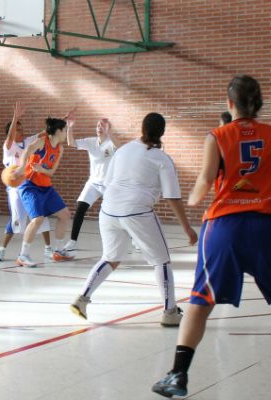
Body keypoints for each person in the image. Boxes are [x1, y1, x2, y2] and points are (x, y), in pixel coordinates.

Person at [152, 75, 271, 399]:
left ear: (229, 103)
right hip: (269, 229)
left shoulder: (217, 136)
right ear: (258, 103)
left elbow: (204, 179)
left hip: (224, 229)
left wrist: (194, 197)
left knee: (201, 302)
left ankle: (178, 376)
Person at [69, 113, 198, 325]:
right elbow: (172, 197)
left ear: (142, 128)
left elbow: (108, 182)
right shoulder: (162, 159)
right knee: (161, 261)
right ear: (162, 133)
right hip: (137, 212)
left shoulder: (124, 150)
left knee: (110, 258)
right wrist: (187, 228)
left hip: (108, 210)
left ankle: (82, 299)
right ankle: (170, 313)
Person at [10, 108, 77, 267]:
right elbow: (27, 150)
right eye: (65, 130)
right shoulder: (42, 142)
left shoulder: (59, 148)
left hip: (46, 187)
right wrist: (21, 167)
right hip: (30, 186)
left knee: (65, 215)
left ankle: (58, 251)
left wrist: (42, 169)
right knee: (38, 219)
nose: (66, 133)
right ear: (58, 131)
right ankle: (23, 256)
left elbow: (52, 172)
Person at [0, 102, 52, 262]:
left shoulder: (28, 142)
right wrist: (15, 117)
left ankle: (48, 248)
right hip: (15, 188)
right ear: (12, 132)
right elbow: (9, 138)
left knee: (40, 215)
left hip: (30, 185)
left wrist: (62, 121)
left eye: (21, 128)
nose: (21, 131)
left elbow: (45, 132)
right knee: (16, 219)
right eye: (17, 129)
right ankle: (2, 249)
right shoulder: (8, 147)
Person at [62, 117, 120, 252]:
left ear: (108, 128)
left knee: (119, 212)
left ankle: (133, 238)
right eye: (98, 125)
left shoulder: (111, 142)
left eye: (103, 126)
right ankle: (72, 241)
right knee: (80, 208)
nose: (100, 127)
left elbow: (120, 146)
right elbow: (71, 143)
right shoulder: (90, 142)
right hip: (93, 183)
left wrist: (109, 133)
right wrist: (70, 127)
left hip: (109, 185)